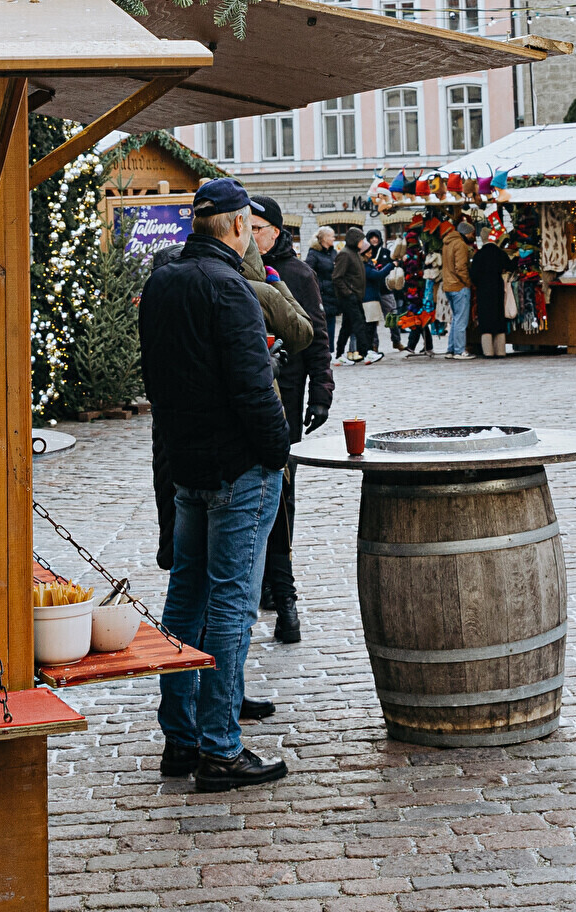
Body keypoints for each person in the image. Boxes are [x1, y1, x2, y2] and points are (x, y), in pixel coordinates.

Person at [137, 177, 293, 792]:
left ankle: (180, 738)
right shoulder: (231, 288)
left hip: (189, 466)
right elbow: (255, 390)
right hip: (235, 468)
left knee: (185, 600)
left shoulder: (164, 281)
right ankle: (220, 749)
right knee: (230, 605)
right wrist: (277, 453)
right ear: (237, 227)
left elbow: (155, 380)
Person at [250, 197, 332, 646]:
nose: (250, 234)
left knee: (282, 489)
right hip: (256, 393)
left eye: (257, 228)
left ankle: (274, 580)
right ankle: (267, 580)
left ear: (276, 232)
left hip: (287, 393)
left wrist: (321, 393)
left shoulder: (297, 274)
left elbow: (317, 336)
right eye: (246, 226)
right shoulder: (239, 270)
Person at [330, 233, 373, 362]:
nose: (362, 243)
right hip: (349, 297)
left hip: (355, 296)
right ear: (355, 240)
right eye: (361, 240)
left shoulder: (354, 253)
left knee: (347, 327)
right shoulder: (345, 254)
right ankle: (366, 352)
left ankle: (339, 355)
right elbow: (337, 277)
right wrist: (348, 293)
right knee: (359, 324)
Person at [469, 232, 510, 358]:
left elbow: (473, 274)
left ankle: (488, 351)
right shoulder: (500, 253)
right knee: (499, 317)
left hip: (483, 290)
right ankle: (500, 351)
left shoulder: (479, 255)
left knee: (486, 319)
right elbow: (509, 266)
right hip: (497, 288)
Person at [439, 217, 476, 355]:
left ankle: (451, 349)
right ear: (466, 233)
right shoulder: (460, 244)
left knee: (455, 319)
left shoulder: (447, 243)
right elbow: (461, 267)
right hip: (459, 286)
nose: (472, 236)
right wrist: (467, 282)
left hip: (449, 285)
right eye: (471, 233)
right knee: (461, 321)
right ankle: (459, 351)